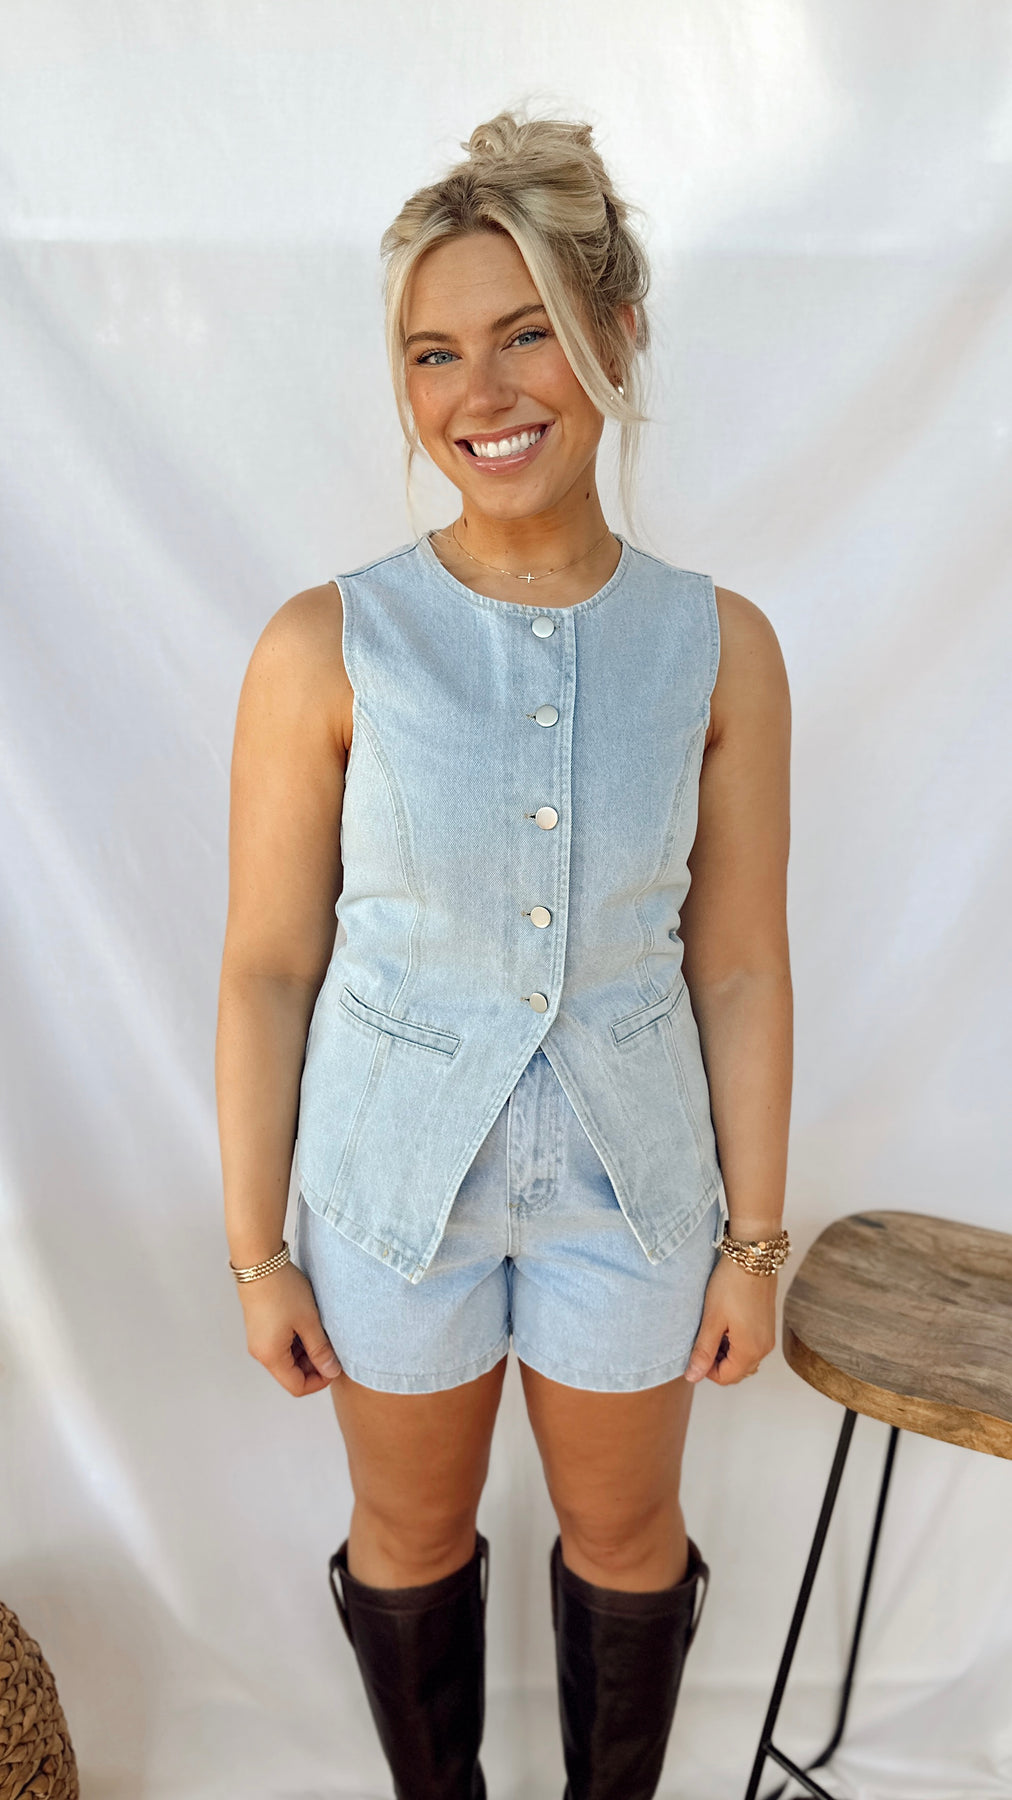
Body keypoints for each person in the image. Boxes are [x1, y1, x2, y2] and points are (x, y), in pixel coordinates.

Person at [215, 107, 792, 1800]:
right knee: (407, 1531)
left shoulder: (719, 646)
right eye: (436, 352)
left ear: (615, 331)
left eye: (528, 330)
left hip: (636, 1189)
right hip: (393, 1191)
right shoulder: (328, 643)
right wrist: (258, 1252)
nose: (483, 390)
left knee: (626, 1534)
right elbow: (267, 968)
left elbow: (739, 965)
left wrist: (754, 1240)